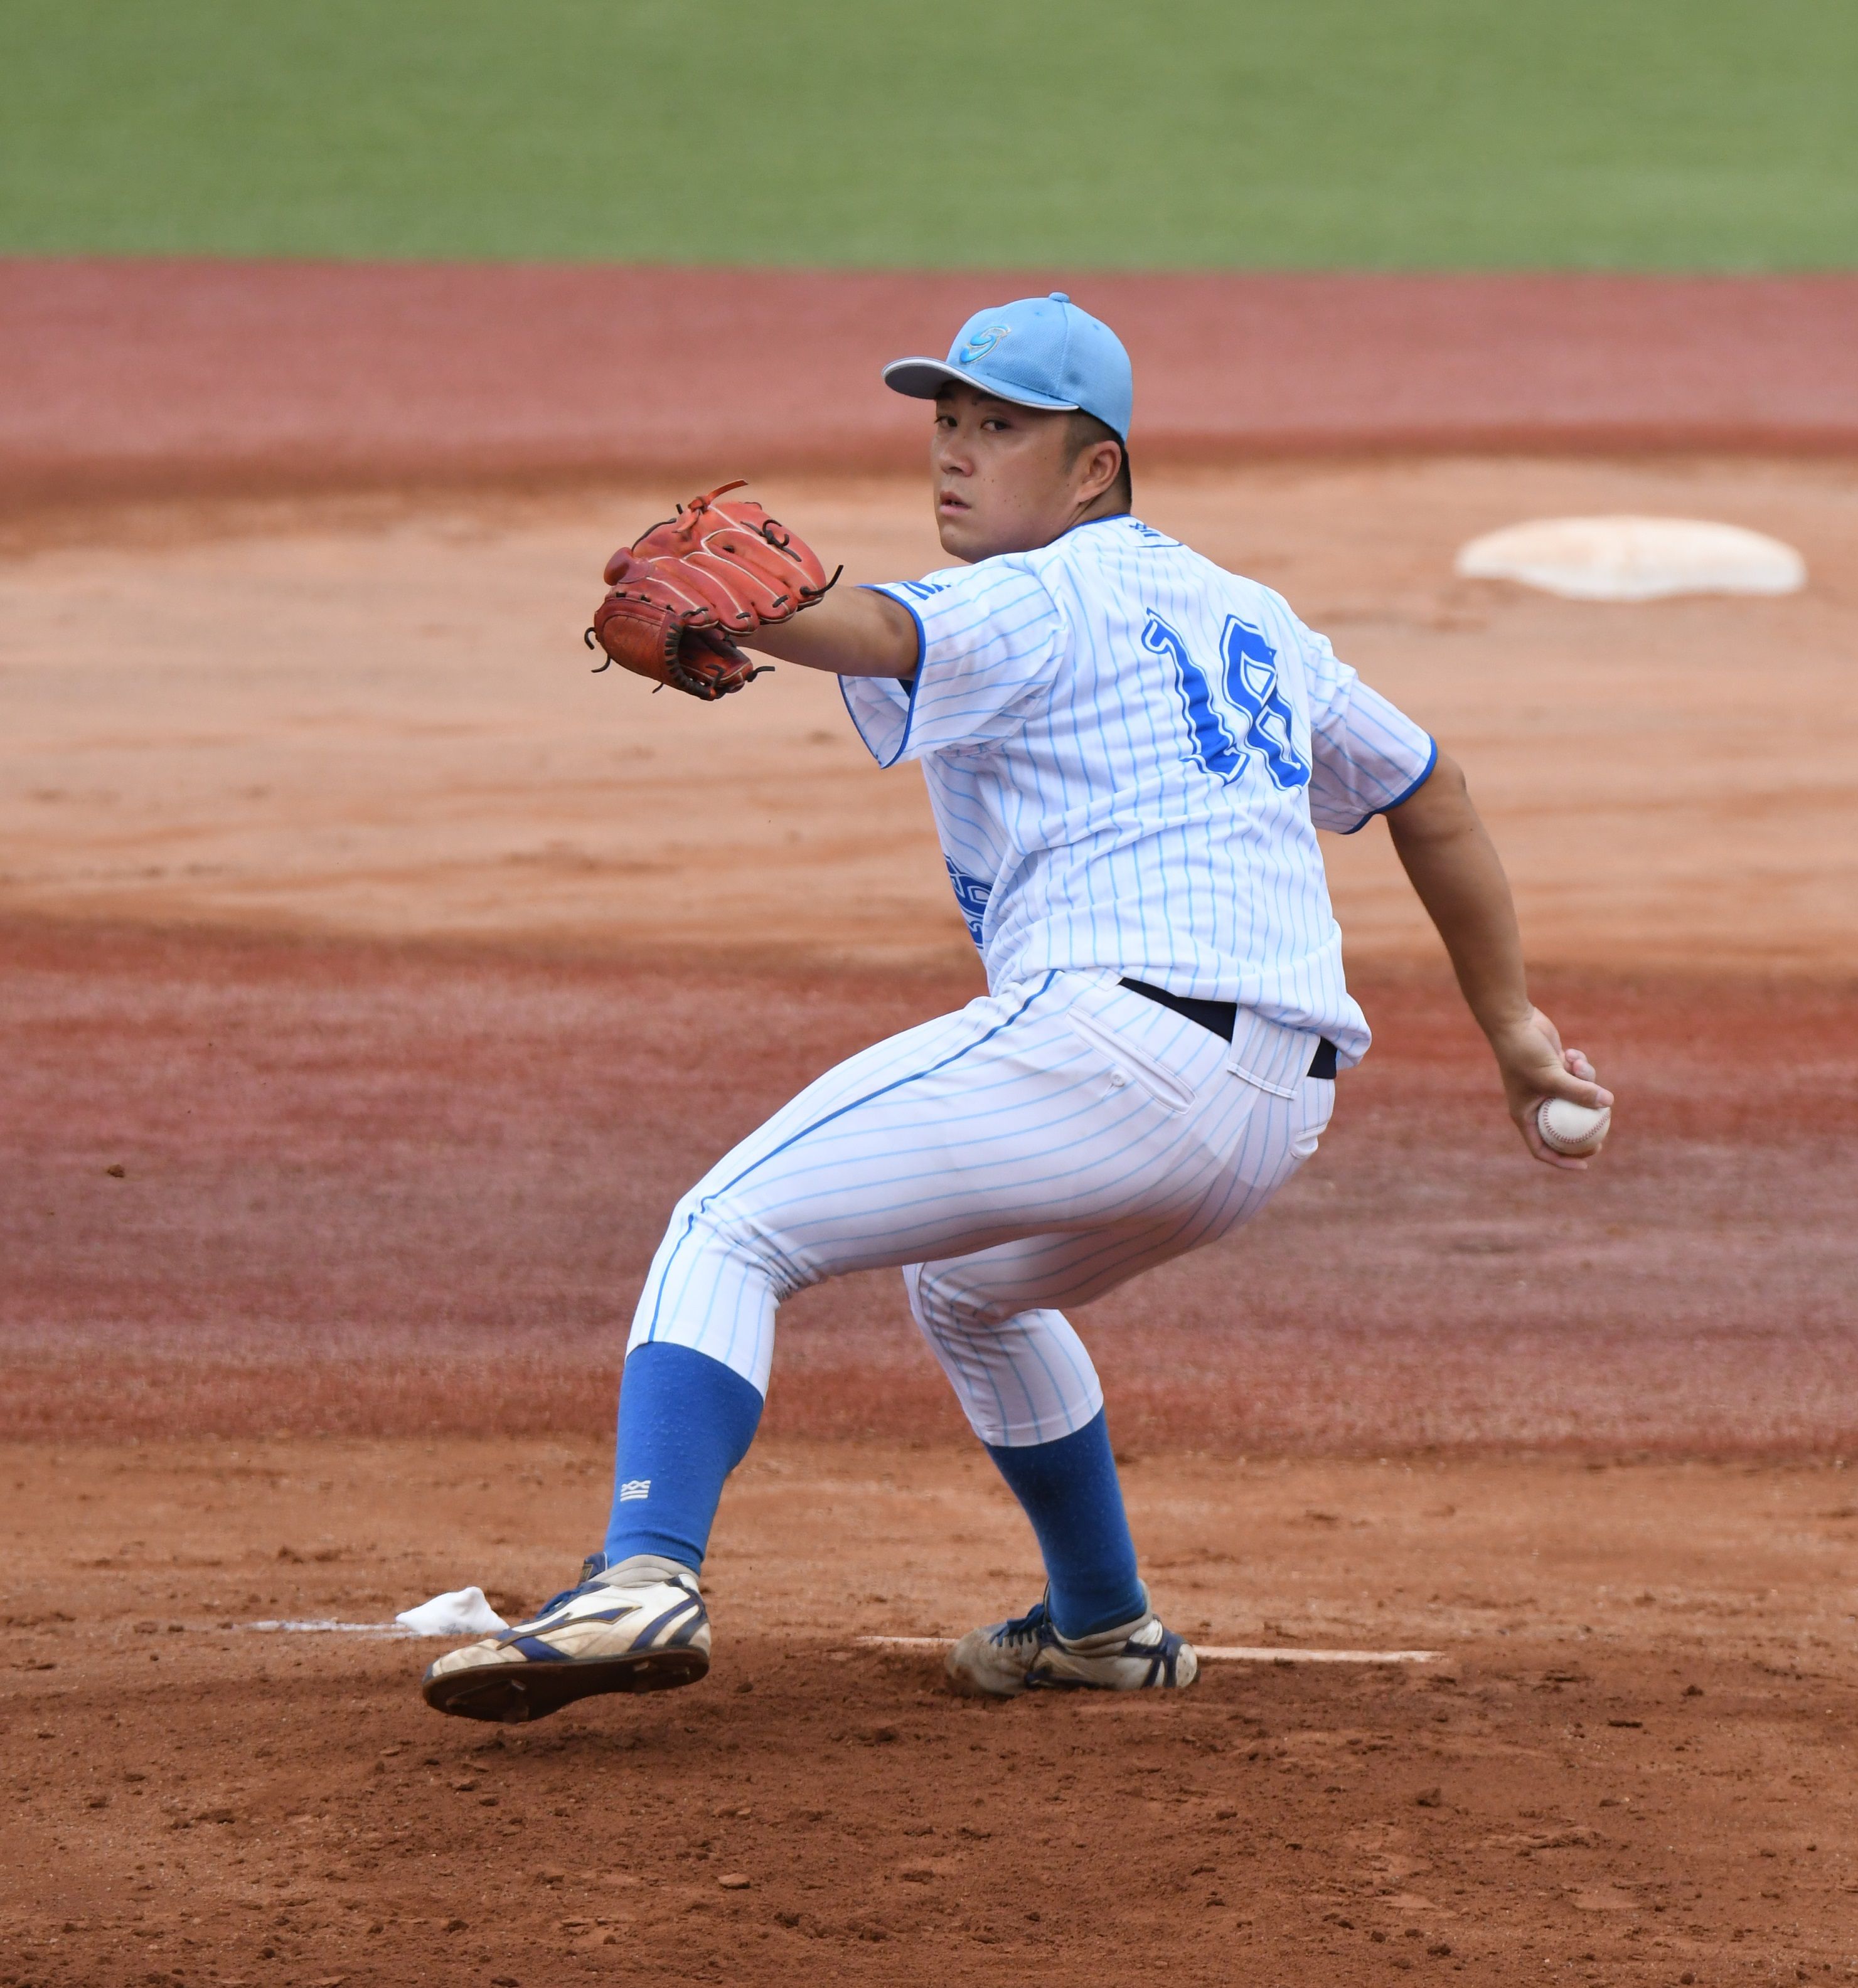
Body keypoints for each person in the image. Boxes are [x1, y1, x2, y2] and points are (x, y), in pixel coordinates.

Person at [421, 292, 1611, 1721]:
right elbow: (1428, 788)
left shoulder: (1044, 589)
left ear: (1093, 466)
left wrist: (773, 610)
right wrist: (1511, 1027)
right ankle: (1101, 1623)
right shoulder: (1256, 616)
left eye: (999, 427)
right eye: (946, 421)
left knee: (728, 1226)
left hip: (1112, 1049)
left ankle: (642, 1570)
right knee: (974, 1293)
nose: (954, 453)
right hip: (1267, 1111)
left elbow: (875, 634)